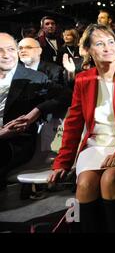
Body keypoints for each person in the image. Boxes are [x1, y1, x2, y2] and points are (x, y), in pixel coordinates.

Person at [48, 24, 115, 233]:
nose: (107, 48)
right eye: (100, 44)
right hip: (95, 145)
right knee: (85, 184)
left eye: (111, 42)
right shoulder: (83, 79)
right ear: (88, 50)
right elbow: (74, 124)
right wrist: (62, 162)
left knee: (110, 179)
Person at [0, 33, 71, 188]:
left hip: (16, 142)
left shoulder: (35, 78)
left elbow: (66, 95)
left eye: (10, 49)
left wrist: (35, 112)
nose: (6, 54)